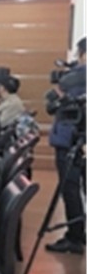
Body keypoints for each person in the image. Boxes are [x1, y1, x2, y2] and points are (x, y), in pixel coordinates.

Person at [44, 37, 85, 254]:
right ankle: (79, 232)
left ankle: (75, 237)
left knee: (70, 189)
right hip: (81, 139)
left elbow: (51, 104)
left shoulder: (75, 77)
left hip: (70, 140)